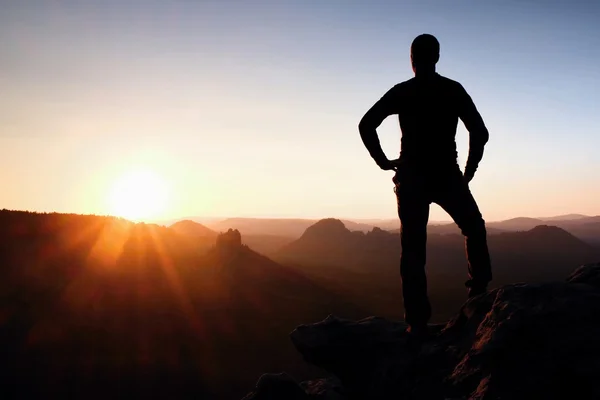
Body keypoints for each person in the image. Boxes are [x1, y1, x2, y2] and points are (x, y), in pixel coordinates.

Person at [358, 34, 492, 337]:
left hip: (411, 177)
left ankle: (416, 324)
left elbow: (366, 124)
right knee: (474, 227)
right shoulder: (452, 90)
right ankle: (479, 295)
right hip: (446, 174)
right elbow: (480, 133)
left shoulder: (403, 92)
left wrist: (382, 160)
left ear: (411, 59)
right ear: (437, 57)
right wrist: (469, 171)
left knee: (413, 250)